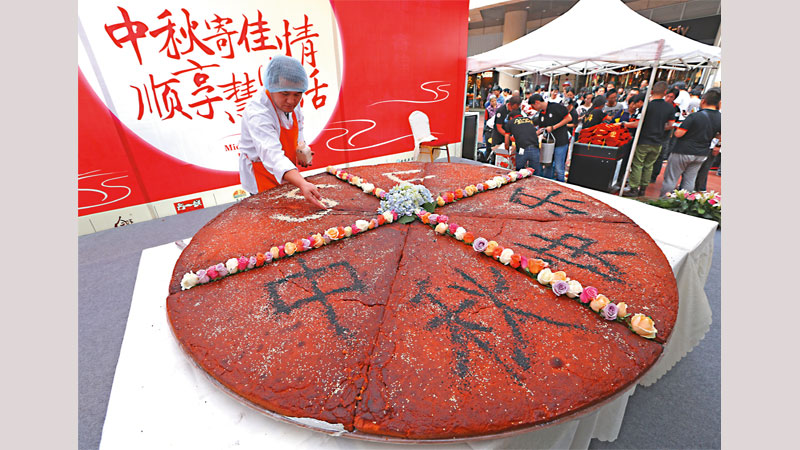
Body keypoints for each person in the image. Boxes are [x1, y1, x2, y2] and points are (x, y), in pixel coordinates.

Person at [238, 55, 325, 208]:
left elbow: (298, 126)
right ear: (272, 87)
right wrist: (302, 183)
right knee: (269, 212)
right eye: (285, 94)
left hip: (285, 169)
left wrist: (301, 148)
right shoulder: (258, 112)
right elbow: (272, 155)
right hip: (261, 173)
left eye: (297, 94)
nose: (291, 101)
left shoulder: (291, 103)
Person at [659, 88, 722, 196]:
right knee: (689, 180)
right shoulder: (720, 118)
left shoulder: (695, 116)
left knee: (671, 178)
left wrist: (680, 126)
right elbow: (720, 135)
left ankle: (664, 199)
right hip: (702, 153)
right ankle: (683, 201)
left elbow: (678, 134)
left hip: (683, 151)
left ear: (703, 101)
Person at [623, 81, 676, 197]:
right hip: (658, 141)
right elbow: (671, 125)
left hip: (644, 140)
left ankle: (634, 188)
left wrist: (625, 124)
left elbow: (638, 123)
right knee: (649, 165)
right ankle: (643, 188)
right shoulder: (670, 107)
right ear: (665, 92)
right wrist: (660, 127)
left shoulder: (647, 106)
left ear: (651, 91)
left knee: (638, 164)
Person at [530, 94, 573, 181]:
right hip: (548, 144)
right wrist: (536, 133)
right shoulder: (541, 114)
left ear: (537, 102)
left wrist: (553, 127)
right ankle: (547, 184)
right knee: (547, 165)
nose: (533, 109)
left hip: (560, 142)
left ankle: (560, 184)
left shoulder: (556, 107)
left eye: (533, 106)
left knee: (559, 167)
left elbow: (569, 118)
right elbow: (542, 128)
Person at [503, 95, 543, 174]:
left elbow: (506, 142)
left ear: (511, 117)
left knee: (519, 173)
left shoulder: (510, 122)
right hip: (535, 148)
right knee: (536, 174)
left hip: (522, 149)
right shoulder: (529, 120)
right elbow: (533, 133)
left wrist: (507, 152)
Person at [650, 87, 682, 183]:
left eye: (671, 97)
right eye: (667, 96)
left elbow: (673, 124)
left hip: (665, 135)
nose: (668, 99)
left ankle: (653, 176)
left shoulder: (676, 109)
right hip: (652, 133)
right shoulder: (659, 104)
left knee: (660, 156)